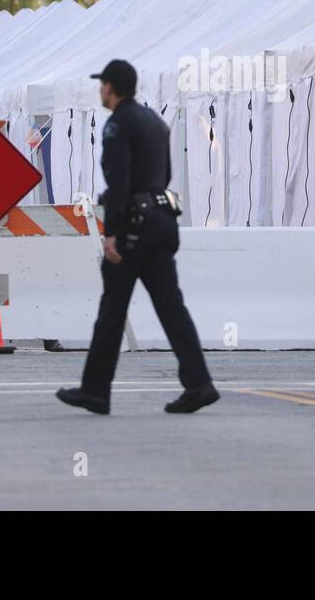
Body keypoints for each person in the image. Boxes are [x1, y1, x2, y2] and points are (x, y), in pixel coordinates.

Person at [56, 59, 219, 416]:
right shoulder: (155, 121)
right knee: (171, 307)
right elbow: (164, 174)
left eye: (103, 85)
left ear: (111, 88)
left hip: (133, 227)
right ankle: (199, 383)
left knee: (112, 309)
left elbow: (119, 180)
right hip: (161, 221)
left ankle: (95, 391)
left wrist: (112, 232)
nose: (100, 90)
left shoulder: (118, 124)